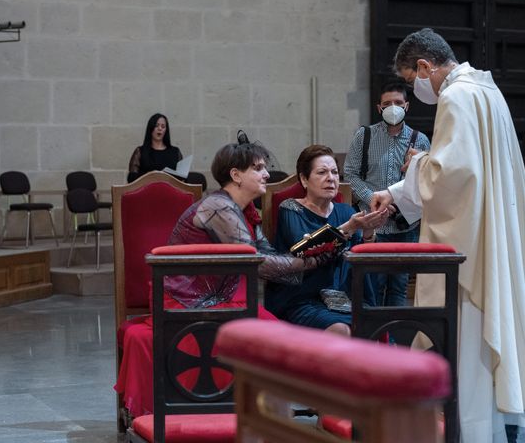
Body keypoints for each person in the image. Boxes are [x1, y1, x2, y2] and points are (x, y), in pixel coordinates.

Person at [369, 28, 525, 443]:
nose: (415, 88)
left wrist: (418, 162)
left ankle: (470, 433)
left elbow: (451, 177)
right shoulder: (487, 90)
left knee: (464, 335)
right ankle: (489, 429)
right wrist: (395, 190)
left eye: (411, 79)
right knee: (476, 338)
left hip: (468, 246)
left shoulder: (457, 96)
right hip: (487, 230)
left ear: (425, 66)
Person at [115, 142, 325, 418]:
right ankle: (245, 412)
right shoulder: (218, 207)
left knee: (271, 330)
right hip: (185, 302)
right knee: (269, 332)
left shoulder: (244, 210)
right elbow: (259, 264)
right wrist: (313, 261)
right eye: (258, 168)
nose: (266, 174)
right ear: (236, 175)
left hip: (216, 299)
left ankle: (260, 412)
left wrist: (318, 248)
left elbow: (267, 255)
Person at [265, 145, 387, 336]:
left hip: (343, 297)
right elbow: (306, 250)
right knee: (341, 329)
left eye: (335, 172)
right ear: (304, 180)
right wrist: (350, 228)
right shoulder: (290, 208)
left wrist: (368, 233)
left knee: (378, 324)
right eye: (322, 172)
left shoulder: (346, 212)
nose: (331, 178)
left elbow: (360, 262)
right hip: (302, 298)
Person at [343, 80, 430, 306]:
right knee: (373, 285)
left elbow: (426, 181)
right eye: (387, 103)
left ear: (407, 106)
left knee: (399, 288)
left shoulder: (420, 140)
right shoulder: (364, 136)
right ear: (379, 108)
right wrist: (373, 198)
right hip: (372, 224)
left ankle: (394, 340)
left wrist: (398, 202)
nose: (393, 107)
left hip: (405, 225)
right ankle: (374, 339)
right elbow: (350, 174)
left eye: (398, 103)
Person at [127, 113, 182, 183]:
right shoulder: (140, 151)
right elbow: (131, 177)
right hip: (147, 191)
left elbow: (182, 178)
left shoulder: (175, 152)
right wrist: (150, 175)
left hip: (170, 191)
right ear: (151, 128)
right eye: (156, 125)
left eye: (163, 126)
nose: (160, 129)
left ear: (166, 130)